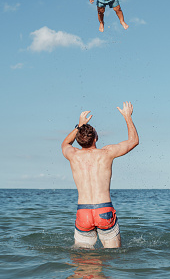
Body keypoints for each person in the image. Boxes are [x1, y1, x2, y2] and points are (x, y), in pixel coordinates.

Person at [61, 102, 139, 248]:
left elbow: (65, 143)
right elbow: (134, 141)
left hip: (83, 212)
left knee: (83, 263)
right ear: (96, 138)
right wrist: (127, 117)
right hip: (104, 210)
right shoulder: (106, 153)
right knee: (113, 258)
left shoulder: (73, 155)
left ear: (78, 140)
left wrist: (79, 126)